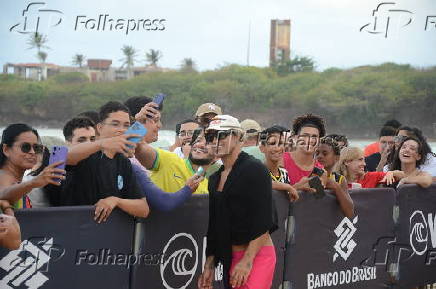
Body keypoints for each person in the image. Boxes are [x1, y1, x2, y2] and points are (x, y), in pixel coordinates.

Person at [199, 115, 276, 289]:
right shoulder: (215, 177)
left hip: (256, 255)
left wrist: (247, 261)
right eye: (211, 136)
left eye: (222, 135)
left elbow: (265, 220)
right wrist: (210, 263)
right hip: (229, 255)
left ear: (238, 136)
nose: (216, 141)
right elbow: (215, 225)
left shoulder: (254, 169)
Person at [59, 102, 149, 223]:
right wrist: (101, 143)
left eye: (126, 125)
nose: (121, 130)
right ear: (100, 128)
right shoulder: (86, 155)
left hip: (110, 233)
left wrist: (116, 201)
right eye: (115, 124)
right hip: (77, 227)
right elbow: (64, 157)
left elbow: (143, 209)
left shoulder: (123, 162)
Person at [0, 124, 65, 208]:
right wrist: (33, 183)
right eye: (25, 147)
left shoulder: (19, 179)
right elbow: (3, 193)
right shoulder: (3, 175)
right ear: (6, 149)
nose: (33, 152)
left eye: (37, 148)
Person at [283, 114, 325, 189]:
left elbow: (318, 198)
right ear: (295, 138)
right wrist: (298, 187)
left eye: (314, 136)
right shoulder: (281, 161)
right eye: (305, 135)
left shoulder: (320, 170)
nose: (310, 140)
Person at [315, 136, 354, 217]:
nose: (319, 156)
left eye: (325, 153)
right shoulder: (309, 175)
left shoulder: (339, 179)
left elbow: (350, 213)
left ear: (337, 158)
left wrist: (336, 187)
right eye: (317, 153)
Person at [259, 125, 299, 202]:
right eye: (272, 143)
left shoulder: (284, 173)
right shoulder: (257, 170)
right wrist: (288, 187)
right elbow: (262, 182)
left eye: (281, 143)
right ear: (262, 148)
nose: (277, 148)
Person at [336, 147, 404, 188]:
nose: (364, 164)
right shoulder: (335, 181)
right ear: (347, 162)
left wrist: (391, 173)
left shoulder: (371, 177)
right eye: (360, 160)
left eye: (364, 160)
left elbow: (403, 175)